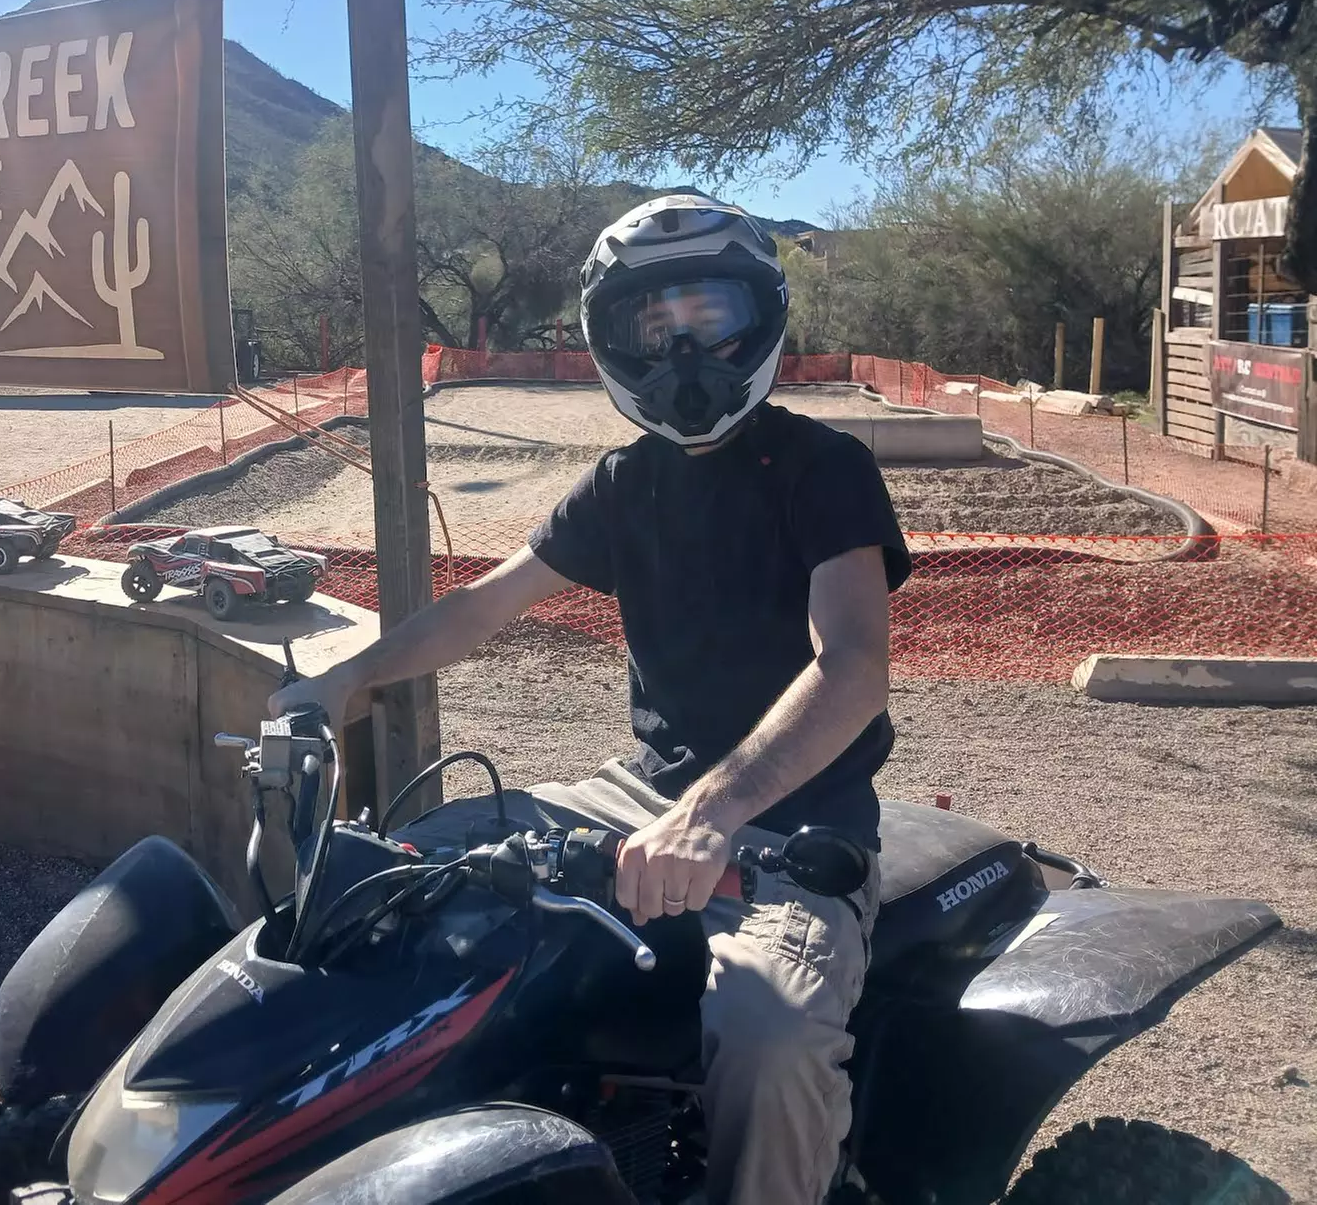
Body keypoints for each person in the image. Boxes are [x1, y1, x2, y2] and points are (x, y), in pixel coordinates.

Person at [269, 194, 910, 1205]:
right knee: (422, 864)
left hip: (796, 827)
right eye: (653, 325)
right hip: (637, 797)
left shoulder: (822, 469)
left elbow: (853, 665)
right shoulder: (623, 485)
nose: (684, 350)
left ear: (760, 317)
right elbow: (480, 609)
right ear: (613, 340)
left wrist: (712, 813)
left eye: (708, 316)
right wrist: (343, 679)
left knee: (769, 1036)